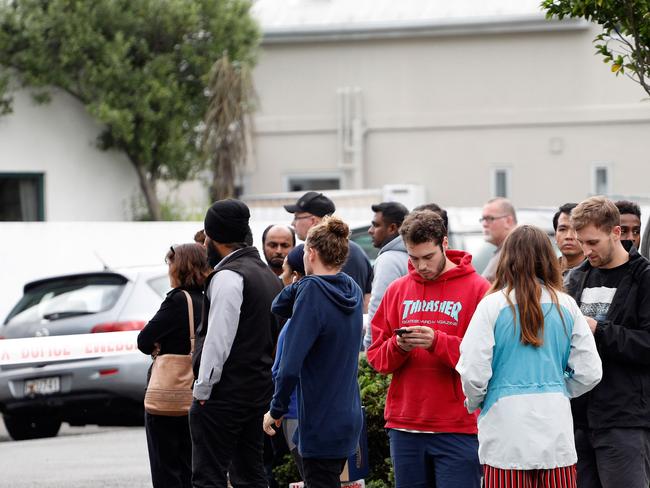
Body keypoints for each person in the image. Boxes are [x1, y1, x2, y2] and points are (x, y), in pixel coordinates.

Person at [456, 225, 602, 487]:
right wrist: (559, 387)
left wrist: (476, 400)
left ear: (507, 259)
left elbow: (473, 370)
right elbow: (590, 371)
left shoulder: (492, 305)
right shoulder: (566, 305)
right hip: (555, 430)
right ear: (548, 257)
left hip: (505, 432)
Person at [367, 210, 490, 488]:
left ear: (444, 244)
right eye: (413, 258)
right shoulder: (398, 290)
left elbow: (486, 360)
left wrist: (437, 342)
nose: (420, 266)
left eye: (428, 257)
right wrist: (398, 346)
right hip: (404, 425)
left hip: (458, 427)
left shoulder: (479, 289)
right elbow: (377, 359)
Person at [263, 216, 364, 488]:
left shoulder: (312, 291)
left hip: (319, 419)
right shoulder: (350, 288)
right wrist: (305, 280)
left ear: (311, 253)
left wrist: (276, 409)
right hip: (348, 416)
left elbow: (289, 365)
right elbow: (279, 306)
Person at [190, 199, 283, 488]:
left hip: (224, 395)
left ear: (212, 237)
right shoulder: (268, 275)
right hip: (258, 390)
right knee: (250, 473)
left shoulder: (229, 276)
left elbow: (219, 338)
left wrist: (203, 388)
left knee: (209, 476)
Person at [566, 196, 650, 488]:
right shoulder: (575, 279)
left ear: (616, 233)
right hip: (578, 419)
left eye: (593, 242)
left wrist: (598, 330)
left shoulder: (644, 278)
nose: (586, 250)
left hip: (624, 420)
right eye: (581, 242)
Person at [137, 243, 211, 488]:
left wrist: (159, 345)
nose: (168, 269)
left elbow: (144, 340)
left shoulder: (179, 300)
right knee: (191, 467)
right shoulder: (208, 298)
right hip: (199, 394)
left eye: (170, 264)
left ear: (180, 267)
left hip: (168, 398)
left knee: (166, 469)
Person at [284, 191, 373, 310]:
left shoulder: (319, 253)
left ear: (313, 221)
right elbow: (367, 302)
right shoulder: (357, 250)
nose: (293, 223)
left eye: (297, 217)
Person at [271, 244, 307, 478]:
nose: (281, 279)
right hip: (302, 408)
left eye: (285, 272)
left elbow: (285, 369)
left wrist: (276, 408)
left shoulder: (299, 318)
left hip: (295, 409)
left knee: (311, 475)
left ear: (295, 275)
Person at [363, 201, 409, 350]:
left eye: (376, 225)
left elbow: (378, 304)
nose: (370, 230)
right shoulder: (413, 254)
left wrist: (370, 343)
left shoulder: (388, 260)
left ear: (392, 228)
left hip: (393, 347)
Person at [480, 197, 517, 282]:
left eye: (489, 218)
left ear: (508, 221)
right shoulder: (506, 249)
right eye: (483, 219)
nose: (484, 224)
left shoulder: (518, 250)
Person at [553, 203, 584, 282]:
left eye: (576, 229)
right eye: (562, 229)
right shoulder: (544, 272)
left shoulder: (596, 274)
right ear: (555, 235)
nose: (568, 236)